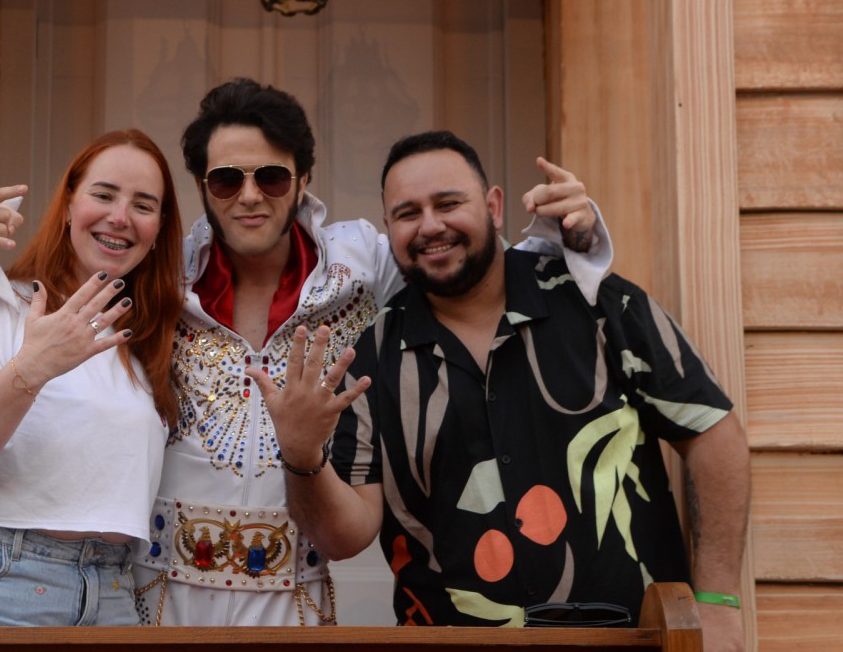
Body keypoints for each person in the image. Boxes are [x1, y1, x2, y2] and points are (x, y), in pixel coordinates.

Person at [0, 79, 612, 626]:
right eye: (227, 180)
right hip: (156, 597)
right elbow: (43, 292)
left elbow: (471, 273)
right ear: (202, 186)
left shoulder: (361, 264)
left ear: (303, 178)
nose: (250, 195)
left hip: (295, 597)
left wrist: (572, 236)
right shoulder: (163, 277)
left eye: (272, 178)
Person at [256, 130, 748, 650]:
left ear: (493, 207)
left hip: (634, 638)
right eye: (407, 213)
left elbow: (712, 434)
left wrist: (717, 602)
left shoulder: (599, 305)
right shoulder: (371, 357)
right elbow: (344, 535)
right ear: (388, 228)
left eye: (448, 203)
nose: (430, 226)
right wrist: (302, 455)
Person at [0, 129, 184, 627]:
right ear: (68, 206)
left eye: (143, 205)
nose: (120, 217)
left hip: (109, 594)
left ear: (158, 231)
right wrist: (32, 368)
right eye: (103, 194)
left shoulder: (145, 341)